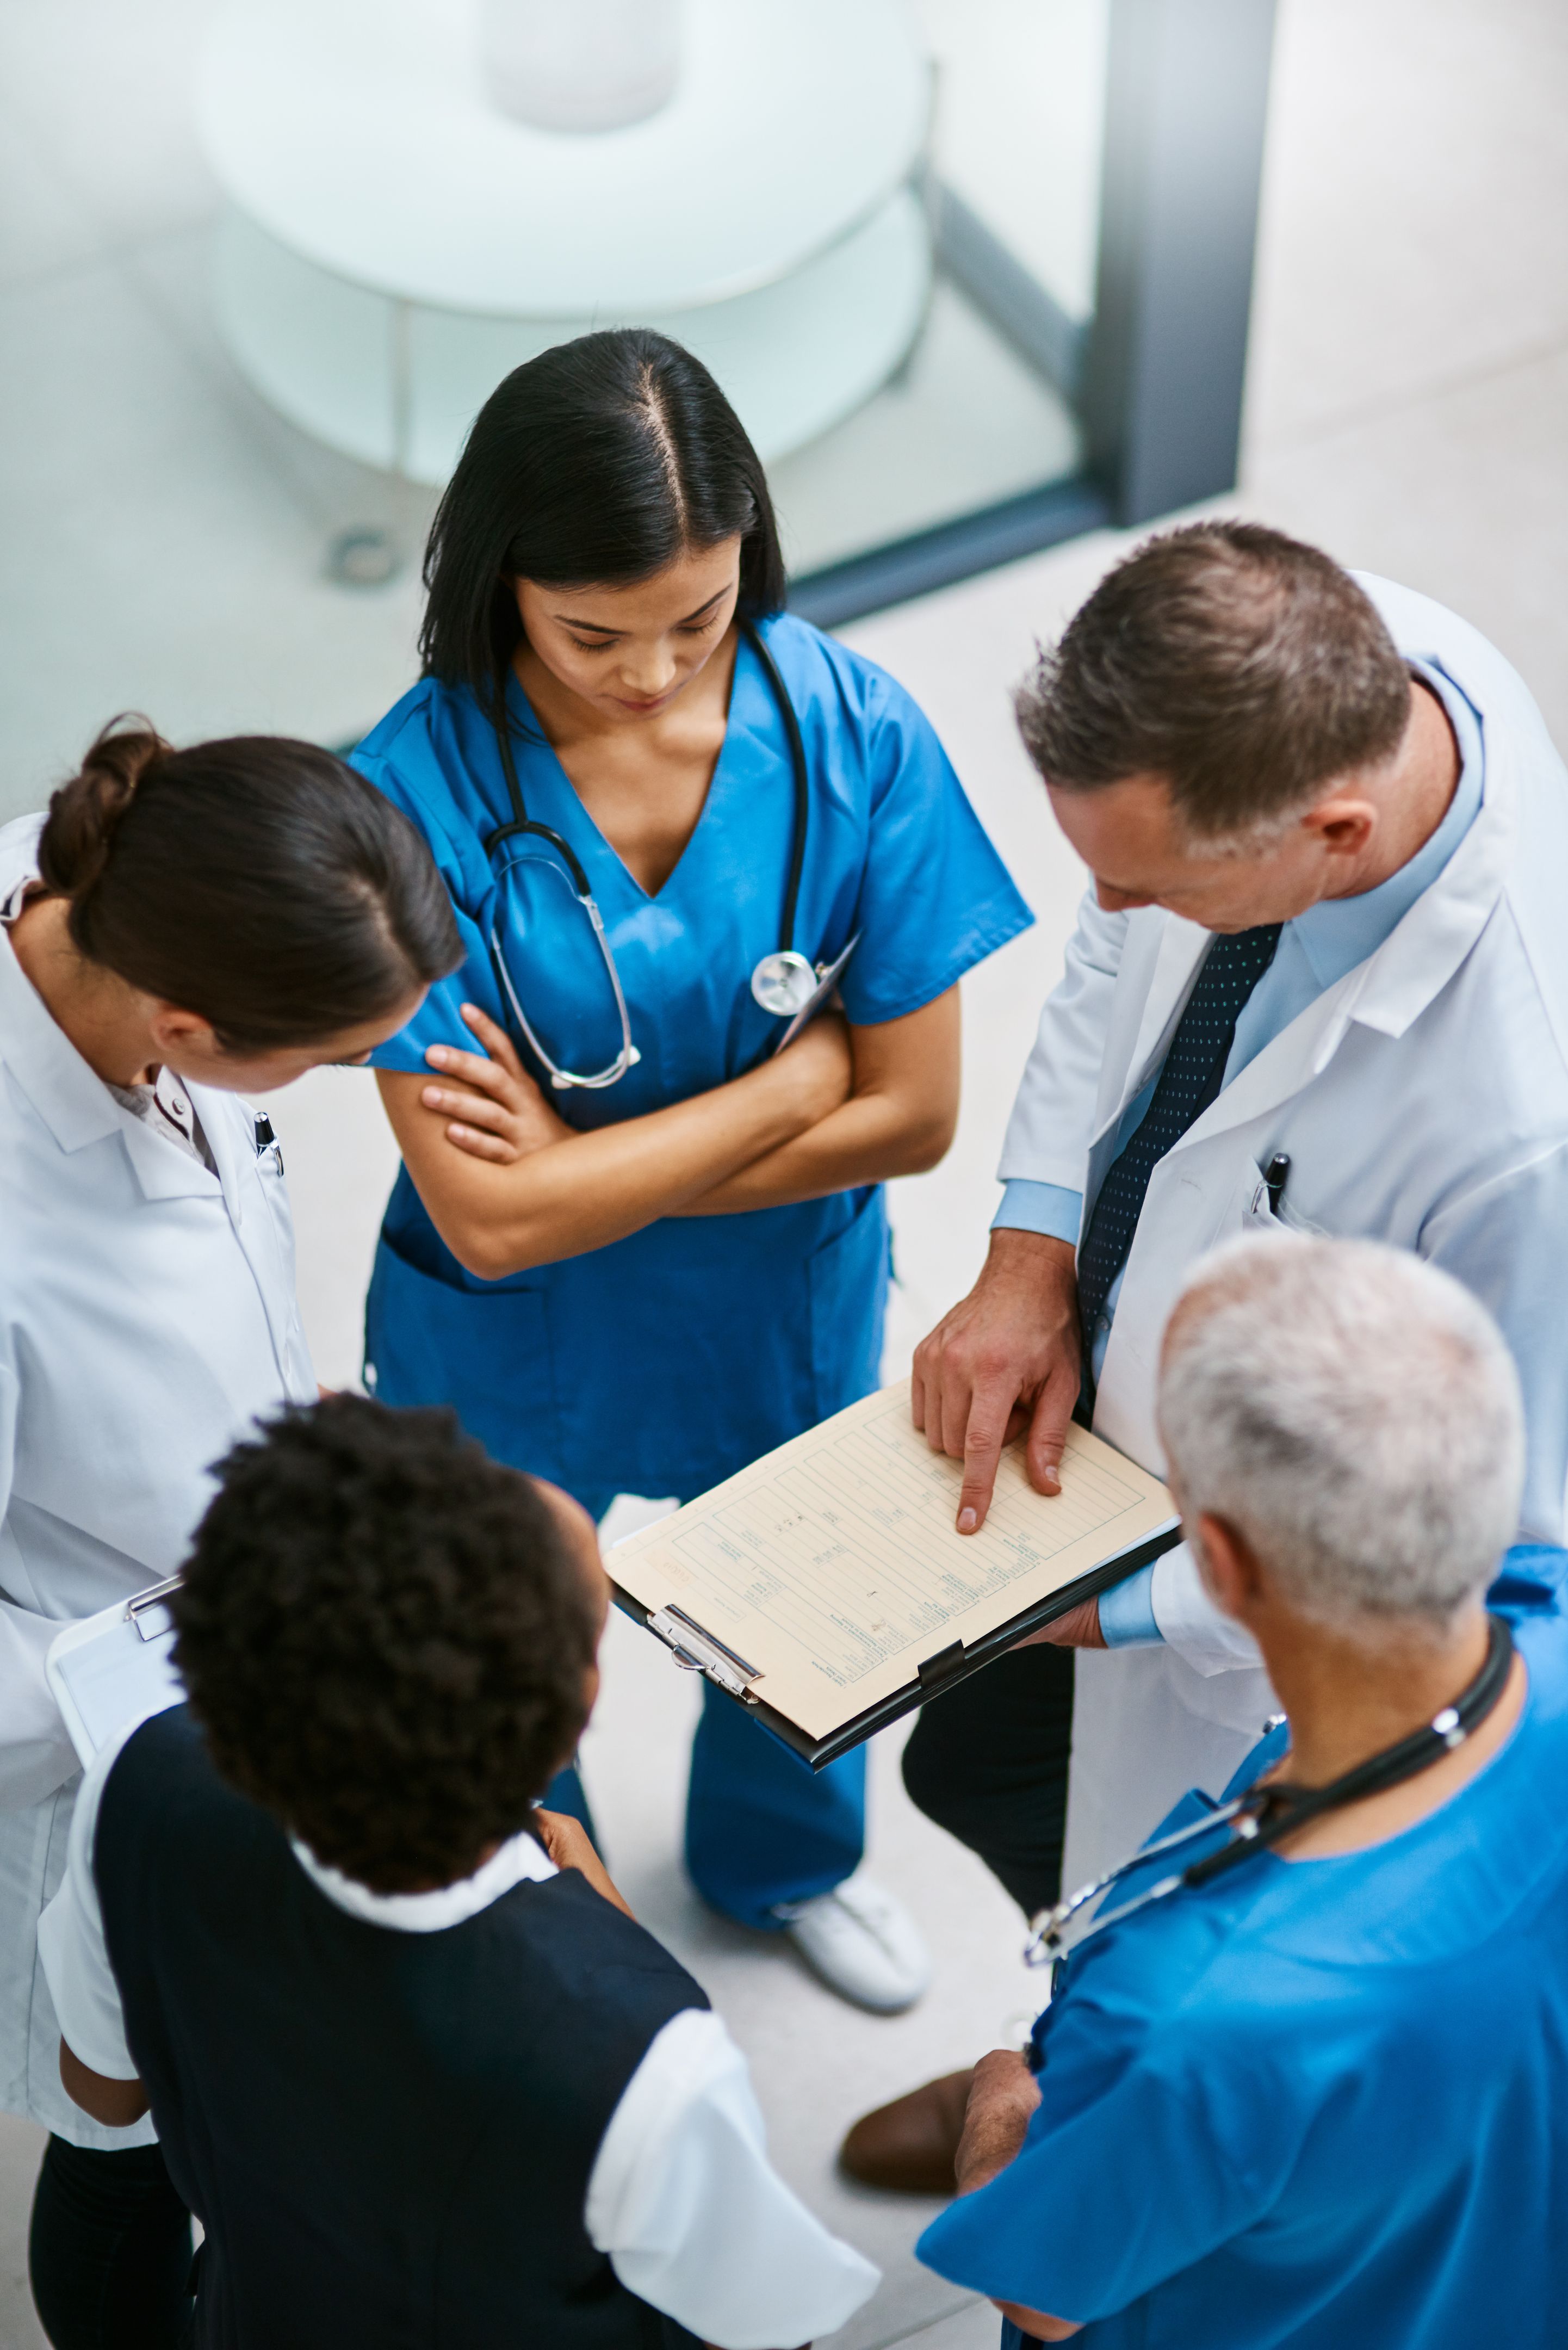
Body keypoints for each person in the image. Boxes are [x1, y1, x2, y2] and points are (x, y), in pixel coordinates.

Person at [843, 521, 1568, 2181]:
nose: (1102, 904)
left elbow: (1480, 1562)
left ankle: (1063, 2093)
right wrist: (1029, 1244)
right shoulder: (1339, 651)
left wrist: (1116, 1604)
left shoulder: (1516, 1135)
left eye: (1152, 877)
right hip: (1117, 1414)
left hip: (1243, 1609)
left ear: (1332, 833)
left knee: (1164, 1939)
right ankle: (1053, 2043)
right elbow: (1116, 954)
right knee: (971, 1762)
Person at [351, 325, 1033, 2012]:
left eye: (701, 619)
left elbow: (917, 1116)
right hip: (506, 1337)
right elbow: (491, 1224)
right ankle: (553, 1916)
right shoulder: (405, 802)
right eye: (594, 634)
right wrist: (781, 1093)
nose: (653, 673)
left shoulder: (850, 735)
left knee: (795, 1602)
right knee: (506, 1636)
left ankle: (781, 1867)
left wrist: (589, 1161)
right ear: (501, 585)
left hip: (772, 1312)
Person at [38, 1395, 882, 2349]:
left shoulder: (138, 1781)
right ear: (568, 1724)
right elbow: (764, 2327)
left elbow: (104, 2093)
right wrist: (612, 1952)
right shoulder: (641, 2057)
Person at [1, 721, 460, 2348]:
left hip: (220, 1629)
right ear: (188, 1027)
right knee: (127, 2134)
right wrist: (200, 1651)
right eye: (330, 1059)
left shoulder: (111, 907)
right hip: (102, 1729)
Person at [917, 1235, 1568, 2346]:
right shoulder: (1542, 1609)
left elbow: (1045, 2293)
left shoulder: (1187, 2016)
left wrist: (999, 2106)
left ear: (1214, 1559)